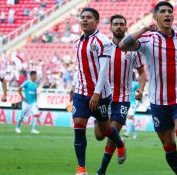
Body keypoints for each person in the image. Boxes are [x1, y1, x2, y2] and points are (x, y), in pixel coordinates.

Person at [119, 1, 177, 174]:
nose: (167, 14)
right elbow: (122, 45)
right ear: (155, 17)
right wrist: (144, 28)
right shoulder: (146, 40)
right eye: (163, 12)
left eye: (170, 11)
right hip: (158, 101)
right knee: (168, 145)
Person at [72, 8, 126, 175]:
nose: (85, 20)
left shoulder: (103, 41)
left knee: (105, 130)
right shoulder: (77, 42)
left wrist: (96, 93)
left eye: (89, 18)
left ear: (96, 22)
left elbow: (103, 71)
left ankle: (120, 143)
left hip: (100, 95)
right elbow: (79, 68)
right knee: (79, 126)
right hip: (81, 93)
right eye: (83, 18)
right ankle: (81, 168)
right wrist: (73, 88)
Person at [94, 14, 146, 175]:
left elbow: (142, 73)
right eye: (115, 24)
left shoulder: (133, 49)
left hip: (122, 98)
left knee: (110, 131)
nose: (118, 26)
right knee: (99, 135)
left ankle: (101, 171)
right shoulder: (103, 47)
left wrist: (141, 89)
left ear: (125, 27)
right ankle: (120, 142)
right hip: (104, 97)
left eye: (121, 24)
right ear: (110, 28)